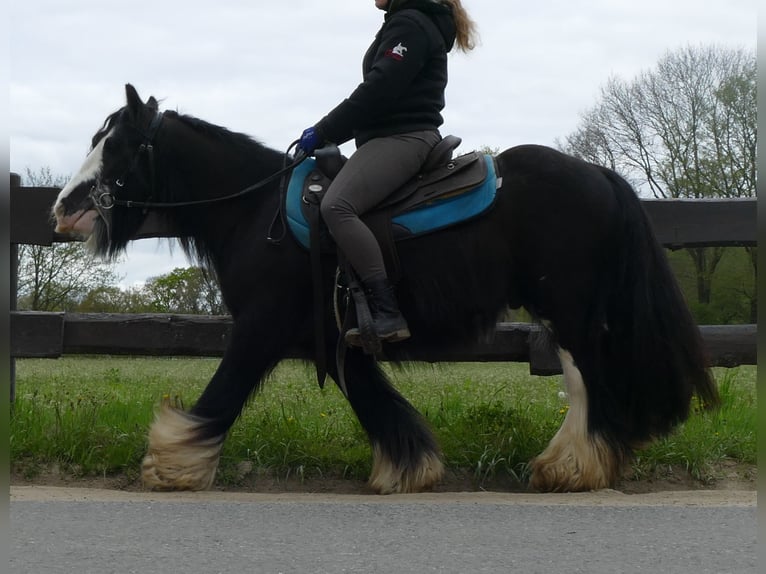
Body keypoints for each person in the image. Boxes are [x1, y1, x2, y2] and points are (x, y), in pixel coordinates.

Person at [296, 0, 478, 345]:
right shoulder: (409, 22)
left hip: (404, 138)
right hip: (388, 138)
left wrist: (324, 130)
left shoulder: (410, 24)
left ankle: (387, 310)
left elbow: (379, 91)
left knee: (337, 205)